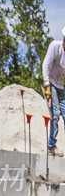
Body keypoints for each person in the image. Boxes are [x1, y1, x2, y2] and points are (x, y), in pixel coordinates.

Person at [43, 26, 65, 157]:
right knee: (55, 114)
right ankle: (51, 147)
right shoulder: (55, 47)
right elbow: (46, 65)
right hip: (51, 83)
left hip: (62, 87)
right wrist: (47, 86)